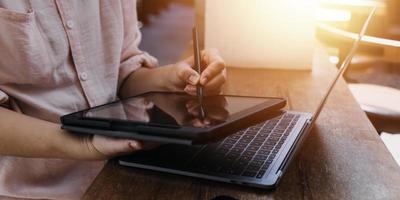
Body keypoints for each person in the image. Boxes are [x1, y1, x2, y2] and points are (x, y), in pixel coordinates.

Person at [0, 0, 226, 199]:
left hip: (123, 167)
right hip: (29, 190)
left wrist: (169, 79)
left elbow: (119, 72)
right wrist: (85, 144)